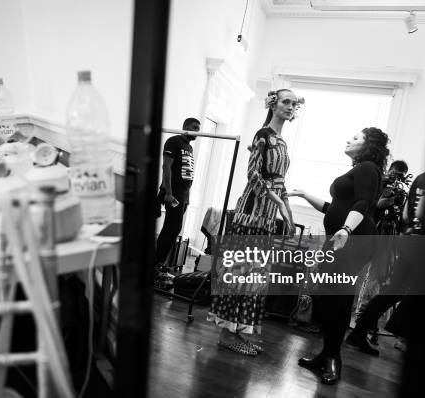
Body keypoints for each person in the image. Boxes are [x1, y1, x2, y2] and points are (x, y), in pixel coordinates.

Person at [289, 127, 389, 384]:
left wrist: (345, 229)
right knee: (325, 297)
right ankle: (326, 354)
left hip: (354, 241)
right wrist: (303, 194)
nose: (349, 139)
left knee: (337, 299)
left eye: (356, 138)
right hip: (342, 241)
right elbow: (332, 208)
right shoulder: (359, 171)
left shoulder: (367, 167)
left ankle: (333, 360)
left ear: (369, 146)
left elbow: (363, 203)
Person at [207, 89, 303, 356]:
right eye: (286, 101)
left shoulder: (282, 142)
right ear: (273, 104)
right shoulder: (262, 135)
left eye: (294, 104)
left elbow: (280, 182)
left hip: (267, 218)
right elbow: (252, 175)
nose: (291, 106)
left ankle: (239, 330)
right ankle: (226, 334)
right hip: (250, 213)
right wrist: (277, 202)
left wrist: (288, 213)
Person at [345, 171, 425, 356]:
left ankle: (360, 332)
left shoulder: (422, 178)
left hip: (411, 241)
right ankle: (402, 336)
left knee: (393, 292)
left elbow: (407, 214)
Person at [154, 118, 200, 282]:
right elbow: (166, 167)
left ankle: (158, 264)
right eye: (194, 127)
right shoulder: (174, 141)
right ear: (185, 127)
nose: (197, 130)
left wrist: (187, 197)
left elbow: (186, 173)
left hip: (183, 194)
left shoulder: (189, 147)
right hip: (172, 193)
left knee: (172, 229)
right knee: (172, 228)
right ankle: (156, 265)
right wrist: (168, 192)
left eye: (198, 128)